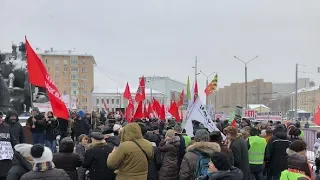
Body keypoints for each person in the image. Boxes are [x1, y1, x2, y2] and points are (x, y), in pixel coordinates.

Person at [0, 110, 18, 180]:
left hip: (7, 157)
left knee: (6, 174)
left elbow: (13, 140)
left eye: (1, 117)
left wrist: (19, 148)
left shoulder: (7, 127)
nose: (0, 119)